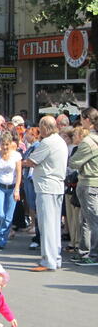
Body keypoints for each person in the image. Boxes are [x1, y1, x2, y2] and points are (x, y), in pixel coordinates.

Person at [25, 116, 68, 272]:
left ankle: (48, 260)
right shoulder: (60, 141)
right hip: (56, 185)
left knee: (47, 224)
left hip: (46, 186)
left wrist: (21, 161)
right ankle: (55, 258)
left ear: (44, 127)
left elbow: (32, 161)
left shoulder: (48, 142)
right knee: (54, 224)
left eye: (40, 127)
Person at [69, 107, 98, 265]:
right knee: (86, 220)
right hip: (91, 182)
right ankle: (85, 251)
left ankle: (93, 255)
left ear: (87, 119)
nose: (80, 121)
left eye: (81, 118)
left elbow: (74, 162)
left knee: (92, 220)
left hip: (88, 182)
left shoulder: (88, 141)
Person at [0, 132, 22, 250]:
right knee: (0, 214)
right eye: (3, 144)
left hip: (11, 188)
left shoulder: (16, 156)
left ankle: (1, 240)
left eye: (7, 144)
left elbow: (18, 173)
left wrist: (17, 189)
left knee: (8, 217)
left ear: (10, 144)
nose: (5, 147)